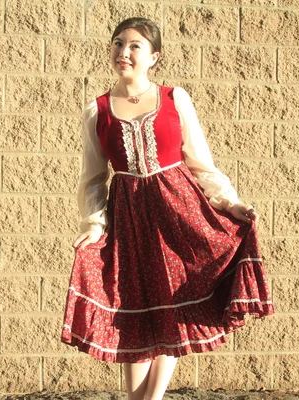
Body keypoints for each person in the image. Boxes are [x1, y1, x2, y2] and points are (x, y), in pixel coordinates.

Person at [61, 17, 275, 400]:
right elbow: (93, 177)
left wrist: (229, 202)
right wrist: (94, 224)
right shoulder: (97, 110)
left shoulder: (176, 99)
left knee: (174, 302)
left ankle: (152, 398)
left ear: (154, 57)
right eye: (117, 44)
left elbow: (200, 162)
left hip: (179, 209)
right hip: (130, 217)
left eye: (134, 46)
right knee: (134, 305)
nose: (123, 52)